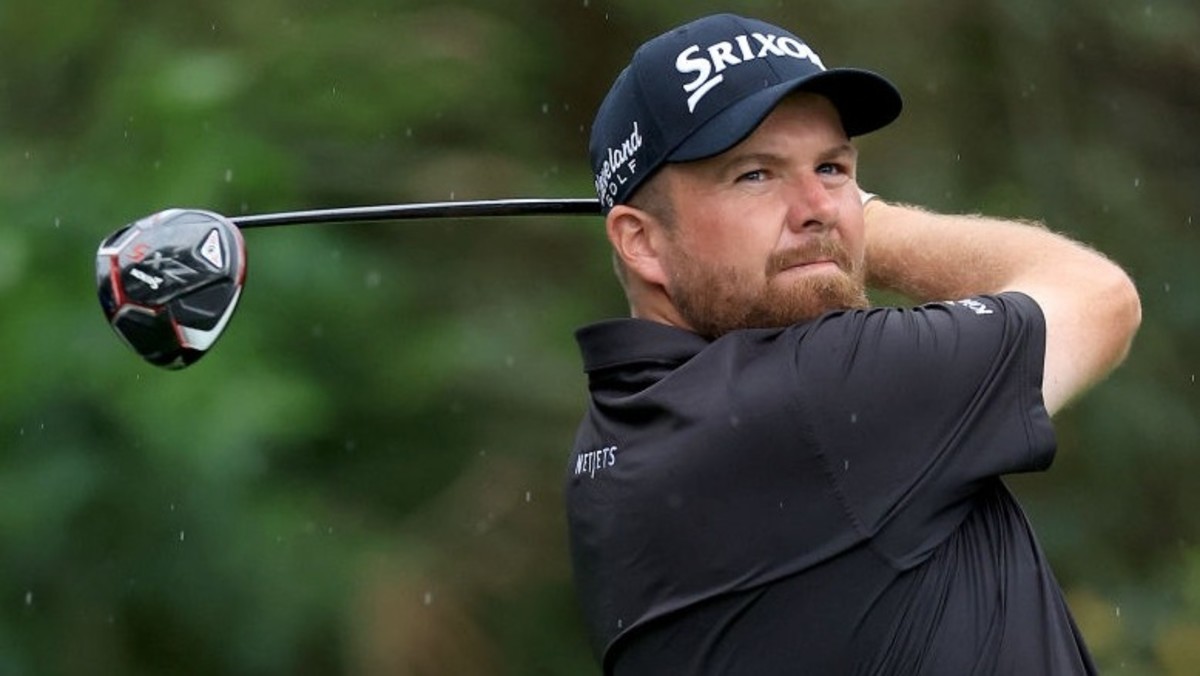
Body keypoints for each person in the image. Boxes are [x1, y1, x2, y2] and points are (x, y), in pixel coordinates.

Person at [565, 13, 1141, 675]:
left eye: (832, 167)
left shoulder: (606, 445)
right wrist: (870, 221)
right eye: (754, 175)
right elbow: (1099, 297)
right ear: (641, 241)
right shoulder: (821, 389)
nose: (818, 206)